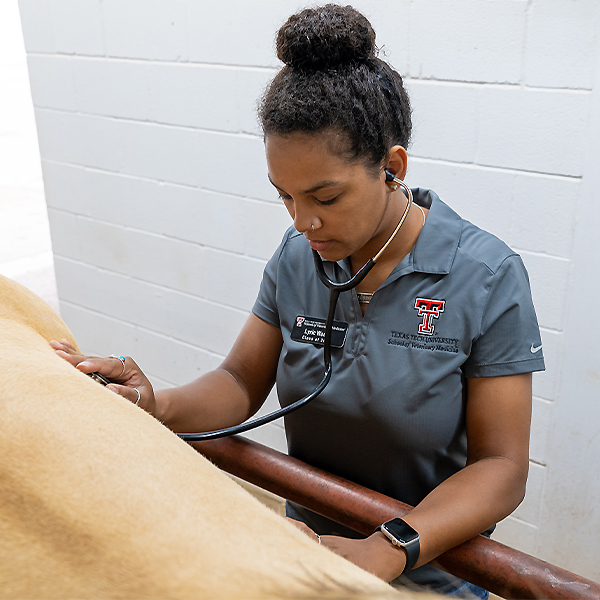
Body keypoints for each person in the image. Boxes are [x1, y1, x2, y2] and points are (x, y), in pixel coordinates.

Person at [51, 4, 545, 598]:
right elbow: (238, 380)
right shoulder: (298, 254)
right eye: (284, 196)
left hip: (429, 575)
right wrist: (154, 404)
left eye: (326, 197)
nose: (304, 221)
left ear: (392, 167)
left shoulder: (486, 276)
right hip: (302, 555)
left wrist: (387, 549)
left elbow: (501, 468)